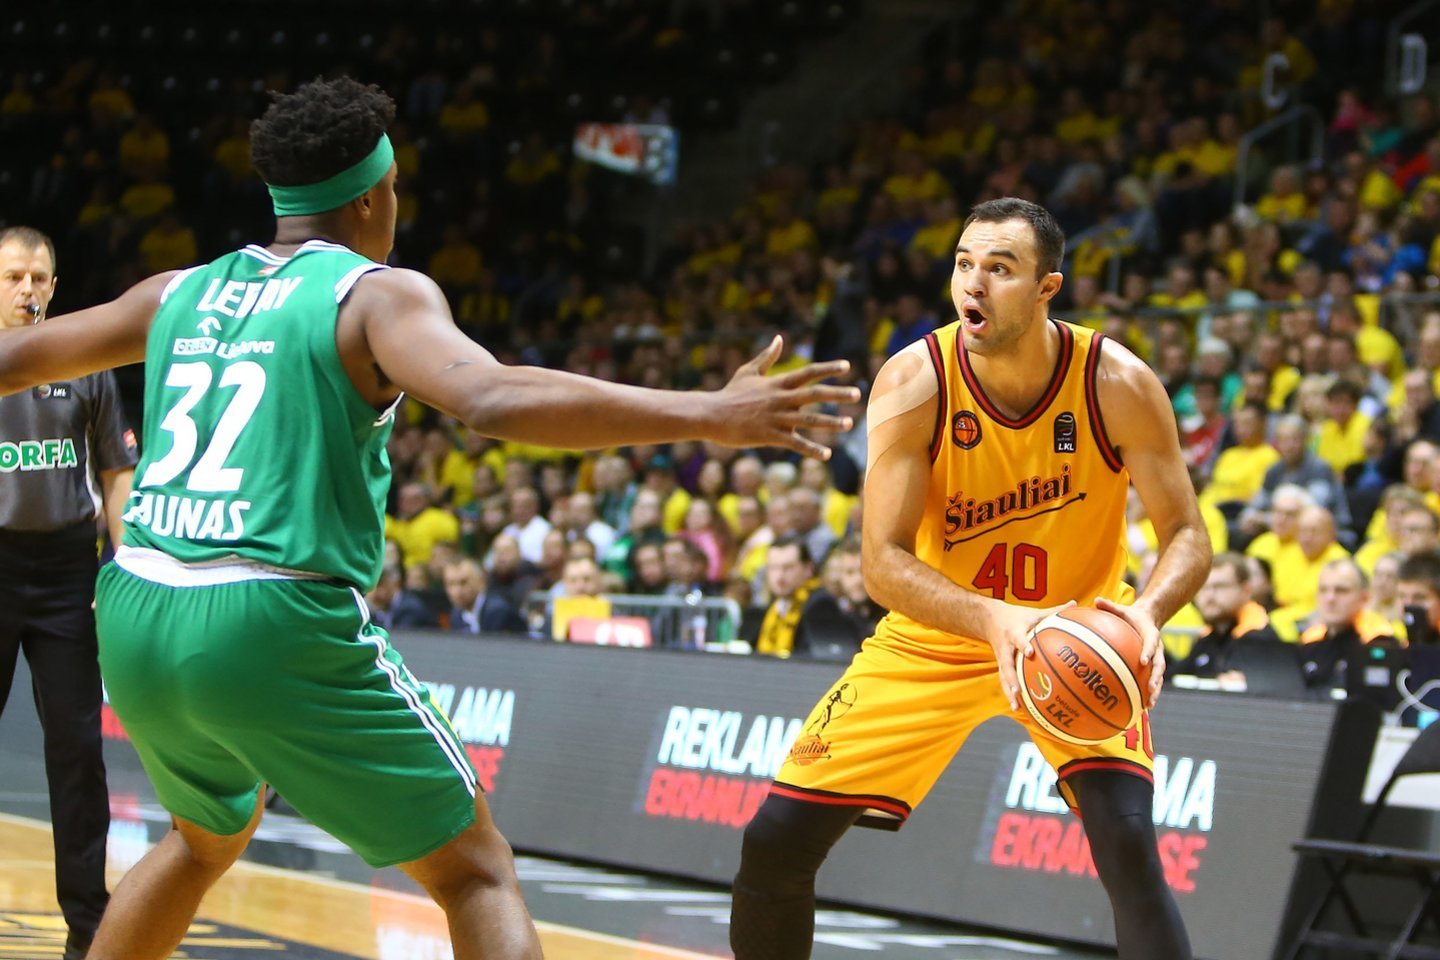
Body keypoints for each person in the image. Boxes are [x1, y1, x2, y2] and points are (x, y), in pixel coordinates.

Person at [0, 77, 857, 960]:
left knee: (202, 838)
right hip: (266, 613)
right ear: (371, 197)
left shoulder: (176, 291)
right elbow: (489, 396)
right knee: (476, 871)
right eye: (396, 186)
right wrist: (706, 413)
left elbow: (14, 360)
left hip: (137, 604)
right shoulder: (375, 295)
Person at [730, 198, 1210, 960]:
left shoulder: (1116, 382)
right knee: (775, 843)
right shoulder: (915, 380)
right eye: (963, 264)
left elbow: (1187, 534)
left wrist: (1147, 614)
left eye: (1000, 268)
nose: (973, 284)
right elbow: (882, 563)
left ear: (1047, 288)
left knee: (1128, 846)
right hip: (939, 637)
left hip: (1076, 637)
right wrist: (992, 619)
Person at [0, 226, 138, 960]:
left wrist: (125, 567)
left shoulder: (85, 362)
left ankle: (88, 925)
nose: (27, 289)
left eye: (38, 278)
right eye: (13, 276)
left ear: (54, 288)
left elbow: (117, 475)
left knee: (78, 751)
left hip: (65, 573)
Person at [1172, 551, 1279, 682]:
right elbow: (1173, 676)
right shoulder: (1207, 639)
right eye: (1204, 587)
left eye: (1219, 586)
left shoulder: (1262, 639)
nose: (1209, 596)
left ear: (1246, 590)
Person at [1297, 558, 1398, 692]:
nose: (1330, 598)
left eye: (1341, 590)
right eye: (1323, 590)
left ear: (1364, 598)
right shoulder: (1310, 641)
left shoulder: (1379, 641)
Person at [443, 558, 525, 634]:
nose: (457, 591)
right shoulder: (456, 614)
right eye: (450, 584)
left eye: (463, 583)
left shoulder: (498, 612)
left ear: (481, 580)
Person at [364, 562, 438, 629]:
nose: (376, 592)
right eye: (373, 586)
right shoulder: (375, 607)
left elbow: (401, 637)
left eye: (381, 585)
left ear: (396, 584)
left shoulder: (411, 609)